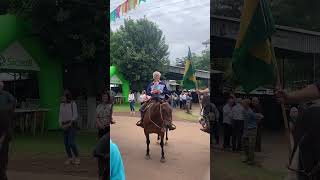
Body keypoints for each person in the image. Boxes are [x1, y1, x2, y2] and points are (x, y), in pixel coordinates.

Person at [59, 90, 80, 165]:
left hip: (71, 124)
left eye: (63, 96)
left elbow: (75, 115)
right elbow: (60, 116)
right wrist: (61, 124)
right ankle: (70, 158)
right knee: (66, 143)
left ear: (67, 97)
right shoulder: (61, 105)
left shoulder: (72, 104)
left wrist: (70, 123)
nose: (62, 98)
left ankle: (77, 157)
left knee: (71, 142)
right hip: (64, 124)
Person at [0, 81, 16, 180]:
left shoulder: (7, 96)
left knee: (3, 157)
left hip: (5, 133)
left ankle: (3, 174)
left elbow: (14, 102)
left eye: (0, 86)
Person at [242, 99, 264, 165]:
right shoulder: (244, 110)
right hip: (246, 129)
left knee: (251, 145)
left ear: (247, 104)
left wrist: (256, 121)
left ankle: (251, 160)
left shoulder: (250, 112)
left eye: (243, 103)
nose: (242, 104)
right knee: (245, 144)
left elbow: (260, 117)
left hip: (252, 129)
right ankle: (247, 157)